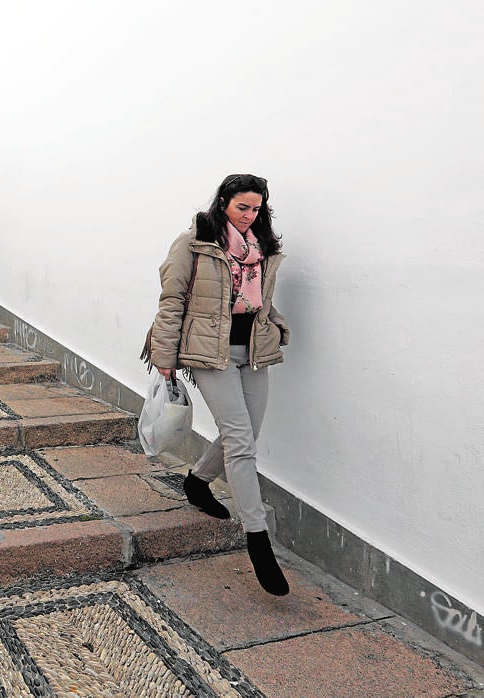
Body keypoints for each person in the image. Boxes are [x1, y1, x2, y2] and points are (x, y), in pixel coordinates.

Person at [142, 173, 292, 596]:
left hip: (254, 353)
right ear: (223, 201)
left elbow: (258, 297)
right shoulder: (193, 243)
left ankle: (197, 480)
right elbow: (172, 302)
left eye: (256, 208)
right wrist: (165, 358)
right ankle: (257, 539)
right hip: (210, 353)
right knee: (242, 441)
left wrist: (275, 322)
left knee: (243, 434)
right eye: (242, 207)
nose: (249, 215)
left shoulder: (262, 247)